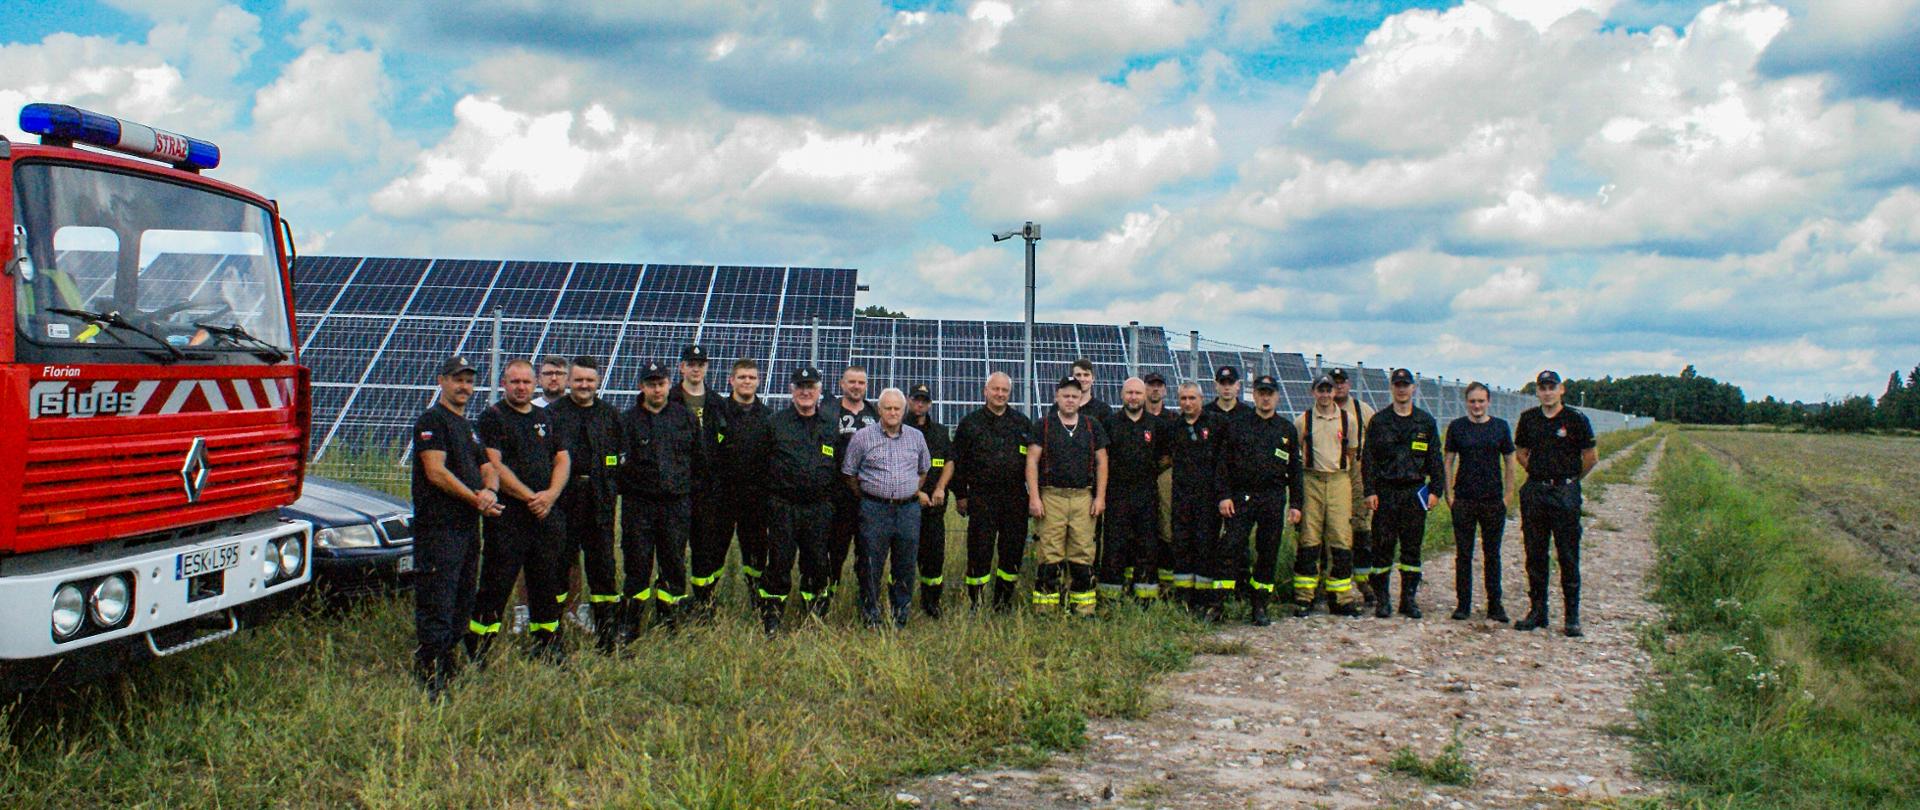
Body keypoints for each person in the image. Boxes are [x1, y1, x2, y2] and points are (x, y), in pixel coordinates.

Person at [468, 359, 570, 663]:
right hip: (509, 519)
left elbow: (562, 459)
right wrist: (530, 497)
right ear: (504, 384)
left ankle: (548, 646)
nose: (521, 387)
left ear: (534, 384)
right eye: (515, 382)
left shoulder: (546, 417)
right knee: (496, 585)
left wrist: (550, 496)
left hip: (544, 516)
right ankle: (478, 650)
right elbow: (494, 465)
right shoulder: (493, 417)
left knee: (546, 584)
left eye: (526, 382)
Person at [410, 356, 500, 697]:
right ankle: (429, 674)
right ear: (442, 381)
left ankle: (448, 665)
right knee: (438, 601)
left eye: (468, 381)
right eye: (457, 380)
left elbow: (487, 467)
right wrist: (475, 499)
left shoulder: (468, 427)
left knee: (462, 600)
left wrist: (490, 491)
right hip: (439, 529)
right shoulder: (431, 421)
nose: (464, 387)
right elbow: (436, 471)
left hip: (466, 529)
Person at [618, 360, 705, 635]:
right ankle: (631, 624)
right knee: (637, 564)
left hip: (675, 505)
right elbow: (618, 466)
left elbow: (698, 461)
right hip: (639, 505)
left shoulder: (685, 418)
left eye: (661, 384)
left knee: (674, 563)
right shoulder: (627, 421)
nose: (657, 389)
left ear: (669, 384)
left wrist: (686, 492)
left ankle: (669, 621)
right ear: (641, 386)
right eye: (651, 384)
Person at [937, 371, 1035, 611]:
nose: (1000, 394)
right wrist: (961, 495)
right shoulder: (970, 424)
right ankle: (976, 603)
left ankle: (1003, 602)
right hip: (982, 497)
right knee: (979, 551)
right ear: (986, 391)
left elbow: (1033, 462)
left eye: (1004, 390)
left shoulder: (1022, 423)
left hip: (1015, 498)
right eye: (995, 389)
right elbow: (956, 462)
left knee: (1012, 551)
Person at [547, 356, 625, 651]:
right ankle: (551, 639)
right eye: (578, 380)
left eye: (589, 380)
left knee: (603, 570)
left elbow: (621, 458)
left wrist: (610, 488)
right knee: (558, 570)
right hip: (564, 504)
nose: (584, 385)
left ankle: (607, 637)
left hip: (599, 503)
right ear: (568, 381)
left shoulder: (610, 416)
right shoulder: (553, 415)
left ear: (598, 382)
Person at [1215, 375, 1306, 625]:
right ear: (1253, 395)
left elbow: (1295, 471)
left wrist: (1296, 504)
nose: (1265, 398)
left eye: (1270, 393)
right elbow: (1223, 465)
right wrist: (1224, 496)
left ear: (1277, 396)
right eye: (1261, 393)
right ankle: (1219, 604)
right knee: (1230, 548)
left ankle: (1259, 605)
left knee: (1268, 553)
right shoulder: (1238, 425)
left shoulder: (1286, 429)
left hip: (1273, 498)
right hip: (1242, 497)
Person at [1514, 370, 1597, 636]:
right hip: (1536, 492)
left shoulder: (1575, 419)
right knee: (1535, 553)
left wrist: (1570, 480)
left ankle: (1571, 616)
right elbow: (1521, 452)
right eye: (1543, 388)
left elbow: (1590, 457)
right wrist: (1538, 471)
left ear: (1561, 389)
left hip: (1564, 492)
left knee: (1568, 553)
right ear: (1537, 392)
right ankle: (1538, 611)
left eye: (1552, 387)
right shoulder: (1529, 419)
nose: (1547, 392)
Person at [842, 388, 933, 628]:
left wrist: (908, 490)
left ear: (904, 410)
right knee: (870, 564)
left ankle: (899, 615)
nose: (893, 413)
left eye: (897, 408)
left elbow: (923, 471)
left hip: (908, 511)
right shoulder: (862, 437)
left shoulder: (916, 437)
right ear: (879, 410)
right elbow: (850, 474)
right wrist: (870, 495)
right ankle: (871, 615)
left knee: (905, 564)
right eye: (888, 408)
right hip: (874, 509)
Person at [1362, 369, 1445, 619]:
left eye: (1405, 385)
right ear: (1391, 388)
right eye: (1397, 385)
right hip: (1386, 492)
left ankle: (1408, 600)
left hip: (1414, 492)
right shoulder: (1379, 421)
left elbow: (1435, 459)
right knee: (1382, 547)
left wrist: (1436, 491)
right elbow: (1368, 460)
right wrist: (1369, 491)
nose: (1401, 389)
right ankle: (1382, 600)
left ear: (1413, 388)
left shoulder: (1425, 422)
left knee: (1411, 548)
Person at [762, 366, 840, 631]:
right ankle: (772, 614)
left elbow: (839, 466)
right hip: (783, 507)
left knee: (817, 562)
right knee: (779, 561)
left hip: (819, 508)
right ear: (791, 390)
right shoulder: (775, 423)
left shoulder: (830, 424)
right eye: (800, 387)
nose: (806, 392)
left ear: (819, 390)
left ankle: (814, 614)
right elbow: (761, 464)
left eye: (811, 387)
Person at [1027, 377, 1108, 616]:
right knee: (1049, 553)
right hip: (1052, 496)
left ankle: (1083, 609)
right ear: (1057, 397)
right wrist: (1034, 497)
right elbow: (1032, 461)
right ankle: (1045, 609)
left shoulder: (1092, 426)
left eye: (1074, 396)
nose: (1070, 400)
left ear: (1081, 399)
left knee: (1082, 553)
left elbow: (1102, 462)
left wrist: (1100, 497)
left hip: (1083, 497)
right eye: (1066, 396)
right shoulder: (1043, 425)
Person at [701, 358, 775, 610]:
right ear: (731, 380)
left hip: (755, 499)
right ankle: (706, 603)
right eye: (742, 377)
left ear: (758, 381)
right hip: (721, 497)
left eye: (751, 377)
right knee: (713, 551)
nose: (747, 381)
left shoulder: (767, 417)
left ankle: (757, 601)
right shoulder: (716, 412)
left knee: (756, 554)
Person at [1291, 374, 1362, 617]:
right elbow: (1295, 453)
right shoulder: (1303, 420)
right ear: (1313, 392)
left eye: (1328, 390)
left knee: (1341, 539)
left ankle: (1341, 597)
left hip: (1339, 480)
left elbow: (1352, 454)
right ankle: (1304, 596)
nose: (1324, 394)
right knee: (1309, 538)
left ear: (1334, 392)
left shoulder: (1348, 420)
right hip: (1311, 480)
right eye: (1320, 390)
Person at [1444, 382, 1515, 623]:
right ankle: (1463, 604)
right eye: (1473, 401)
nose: (1477, 406)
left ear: (1488, 402)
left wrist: (1508, 496)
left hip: (1492, 500)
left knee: (1492, 554)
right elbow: (1448, 461)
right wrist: (1449, 495)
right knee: (1463, 554)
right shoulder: (1457, 427)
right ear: (1467, 402)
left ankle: (1495, 605)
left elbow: (1510, 462)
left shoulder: (1500, 427)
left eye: (1481, 401)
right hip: (1464, 499)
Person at [1100, 377, 1167, 602]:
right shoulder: (1110, 423)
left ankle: (1145, 596)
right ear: (1122, 395)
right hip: (1117, 495)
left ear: (1144, 396)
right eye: (1129, 393)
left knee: (1147, 545)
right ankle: (1110, 597)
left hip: (1146, 495)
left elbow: (1165, 457)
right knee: (1114, 545)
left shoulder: (1156, 425)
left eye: (1138, 393)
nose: (1133, 397)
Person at [669, 345, 720, 616]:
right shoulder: (669, 399)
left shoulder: (716, 402)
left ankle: (704, 604)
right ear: (682, 367)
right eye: (691, 363)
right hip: (675, 488)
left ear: (706, 367)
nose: (696, 368)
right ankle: (670, 606)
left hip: (706, 490)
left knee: (704, 548)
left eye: (700, 364)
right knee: (673, 548)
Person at [1168, 383, 1226, 618]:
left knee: (1205, 548)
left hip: (1208, 499)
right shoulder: (1174, 427)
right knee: (1182, 546)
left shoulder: (1215, 424)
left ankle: (1203, 599)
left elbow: (1224, 461)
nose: (1187, 403)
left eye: (1192, 398)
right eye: (1183, 398)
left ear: (1201, 399)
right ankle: (1184, 598)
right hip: (1182, 497)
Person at [827, 366, 879, 608]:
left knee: (867, 551)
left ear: (866, 386)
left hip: (868, 498)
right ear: (842, 384)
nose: (856, 386)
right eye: (852, 382)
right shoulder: (829, 411)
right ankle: (827, 597)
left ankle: (866, 600)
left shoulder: (874, 413)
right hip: (837, 496)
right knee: (835, 550)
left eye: (861, 382)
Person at [1330, 367, 1379, 606]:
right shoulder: (1319, 412)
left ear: (1348, 384)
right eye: (1334, 382)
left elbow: (1377, 442)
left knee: (1361, 528)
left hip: (1358, 473)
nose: (1338, 386)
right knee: (1333, 529)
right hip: (1331, 474)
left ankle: (1364, 582)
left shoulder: (1363, 410)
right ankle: (1331, 582)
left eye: (1342, 382)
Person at [906, 383, 953, 618]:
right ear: (909, 400)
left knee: (933, 558)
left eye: (924, 400)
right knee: (903, 558)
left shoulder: (940, 432)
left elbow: (949, 462)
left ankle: (931, 603)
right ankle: (900, 603)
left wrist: (941, 487)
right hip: (905, 507)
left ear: (930, 404)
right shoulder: (898, 428)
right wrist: (917, 493)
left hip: (934, 509)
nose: (920, 404)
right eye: (916, 399)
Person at [1143, 372, 1177, 593]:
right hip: (1140, 480)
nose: (1155, 389)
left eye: (1159, 385)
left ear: (1164, 390)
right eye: (1151, 385)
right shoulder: (1136, 416)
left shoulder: (1173, 419)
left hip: (1165, 478)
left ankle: (1165, 585)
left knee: (1166, 529)